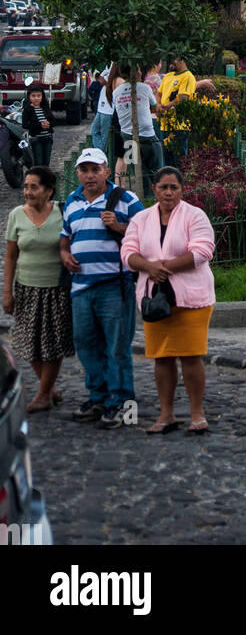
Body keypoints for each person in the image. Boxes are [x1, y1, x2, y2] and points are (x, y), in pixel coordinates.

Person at [122, 166, 216, 434]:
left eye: (174, 187)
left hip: (191, 298)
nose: (168, 192)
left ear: (182, 190)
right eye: (163, 187)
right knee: (161, 357)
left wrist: (167, 266)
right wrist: (149, 268)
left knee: (190, 356)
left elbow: (203, 249)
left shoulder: (194, 215)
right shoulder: (140, 219)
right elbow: (128, 251)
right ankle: (166, 414)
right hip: (155, 298)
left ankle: (197, 413)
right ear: (154, 189)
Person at [59, 148, 144, 426]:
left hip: (113, 285)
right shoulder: (71, 201)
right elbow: (65, 238)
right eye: (84, 170)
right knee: (86, 345)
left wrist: (120, 227)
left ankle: (121, 402)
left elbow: (146, 233)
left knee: (117, 347)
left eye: (95, 169)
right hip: (81, 287)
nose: (90, 175)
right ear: (78, 173)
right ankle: (98, 397)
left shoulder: (125, 199)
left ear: (107, 171)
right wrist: (64, 254)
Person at [3, 166, 74, 411]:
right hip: (26, 289)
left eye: (34, 187)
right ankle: (49, 387)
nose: (28, 192)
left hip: (56, 289)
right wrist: (7, 291)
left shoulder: (63, 213)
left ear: (49, 190)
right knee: (27, 342)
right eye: (26, 187)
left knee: (54, 343)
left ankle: (43, 393)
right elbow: (11, 256)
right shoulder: (16, 216)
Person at [112, 68, 165, 195]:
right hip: (147, 135)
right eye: (140, 70)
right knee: (157, 171)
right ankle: (157, 198)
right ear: (136, 73)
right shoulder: (144, 88)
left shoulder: (116, 92)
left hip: (127, 136)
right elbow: (155, 105)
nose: (142, 73)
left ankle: (145, 197)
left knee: (138, 172)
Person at [22, 83, 55, 167]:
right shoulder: (27, 109)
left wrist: (49, 124)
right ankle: (38, 178)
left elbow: (53, 121)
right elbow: (25, 125)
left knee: (46, 161)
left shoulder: (45, 107)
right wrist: (40, 126)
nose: (36, 98)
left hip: (48, 138)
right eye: (33, 96)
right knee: (38, 162)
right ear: (29, 97)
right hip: (36, 139)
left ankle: (46, 178)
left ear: (42, 96)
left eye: (38, 96)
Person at [89, 62, 118, 153]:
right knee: (94, 131)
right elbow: (101, 79)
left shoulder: (115, 65)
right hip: (101, 108)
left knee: (105, 136)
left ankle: (103, 156)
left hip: (108, 110)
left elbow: (103, 80)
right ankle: (101, 152)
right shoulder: (108, 64)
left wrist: (99, 77)